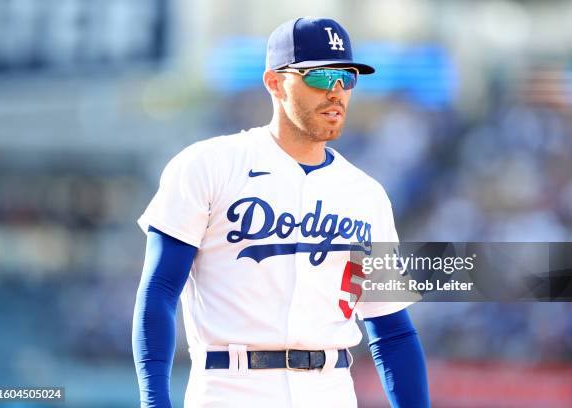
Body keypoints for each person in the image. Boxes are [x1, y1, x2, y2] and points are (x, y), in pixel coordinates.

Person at [133, 17, 430, 408]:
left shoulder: (366, 195)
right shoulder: (207, 165)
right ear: (274, 82)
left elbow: (393, 332)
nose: (336, 91)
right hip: (230, 388)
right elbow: (159, 291)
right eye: (320, 77)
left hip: (331, 390)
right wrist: (154, 402)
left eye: (347, 78)